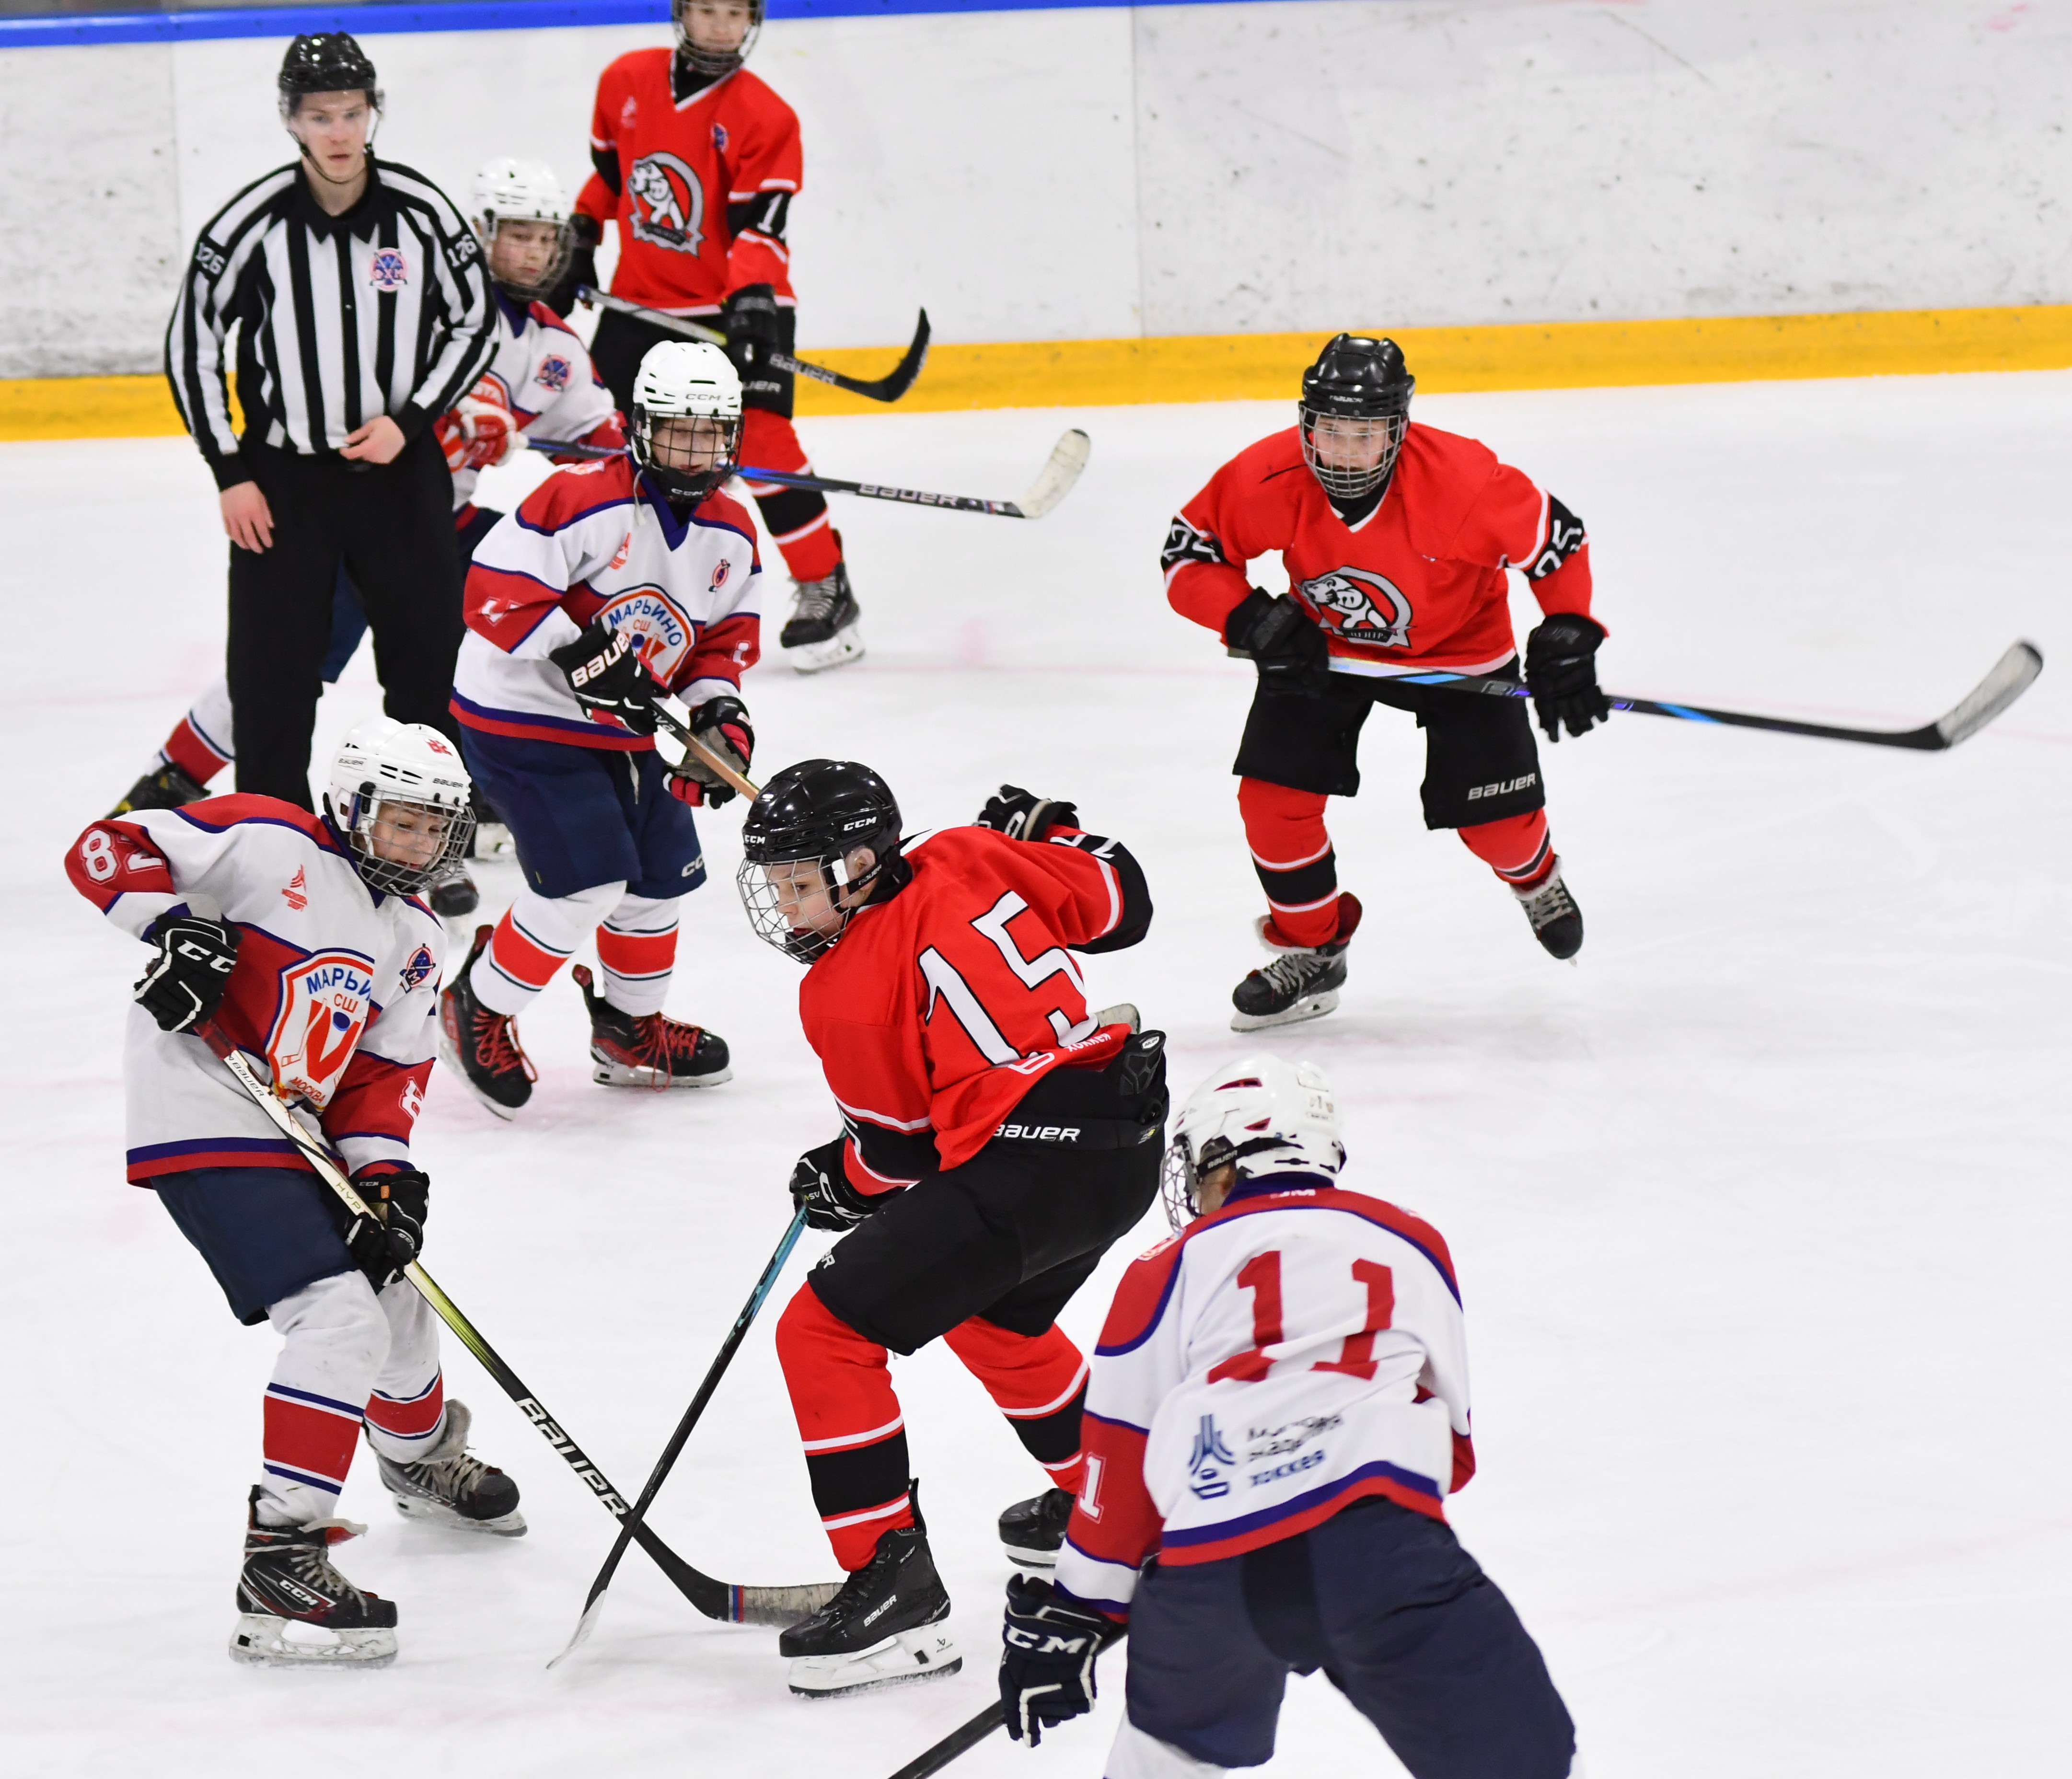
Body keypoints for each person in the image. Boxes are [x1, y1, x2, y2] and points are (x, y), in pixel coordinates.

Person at [64, 718, 526, 1669]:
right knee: (337, 1319)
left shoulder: (414, 935)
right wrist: (173, 929)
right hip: (202, 1108)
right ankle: (283, 1554)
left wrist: (386, 1179)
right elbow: (104, 847)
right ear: (354, 805)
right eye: (400, 822)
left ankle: (417, 1457)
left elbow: (379, 1077)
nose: (417, 845)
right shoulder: (268, 840)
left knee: (396, 1290)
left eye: (433, 828)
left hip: (296, 1131)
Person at [996, 1055, 1578, 1778]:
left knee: (1161, 1764)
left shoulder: (1168, 1265)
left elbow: (1118, 1455)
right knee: (1522, 1761)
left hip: (1213, 1565)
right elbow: (1454, 1445)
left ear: (1223, 1162)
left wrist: (1080, 1610)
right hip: (1380, 1552)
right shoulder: (1410, 1240)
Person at [732, 763, 1164, 1697]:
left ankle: (895, 1596)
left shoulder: (842, 984)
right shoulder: (967, 851)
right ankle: (1115, 1505)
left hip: (1027, 1167)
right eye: (775, 884)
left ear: (860, 865)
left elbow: (897, 1153)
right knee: (993, 1319)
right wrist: (1049, 833)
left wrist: (837, 1179)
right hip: (1121, 1133)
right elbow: (1124, 902)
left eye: (799, 883)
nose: (785, 905)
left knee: (822, 1333)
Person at [118, 155, 626, 919]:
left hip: (447, 530)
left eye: (543, 239)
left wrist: (653, 453)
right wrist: (463, 415)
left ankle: (479, 792)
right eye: (516, 235)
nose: (531, 253)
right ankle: (175, 776)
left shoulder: (554, 348)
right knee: (285, 665)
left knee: (506, 639)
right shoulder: (428, 300)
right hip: (364, 514)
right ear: (481, 233)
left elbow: (599, 446)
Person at [1163, 334, 1610, 1030]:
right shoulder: (1270, 474)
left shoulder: (1464, 482)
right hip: (1325, 651)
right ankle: (1313, 948)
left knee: (1498, 827)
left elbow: (1559, 542)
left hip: (1459, 654)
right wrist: (1252, 617)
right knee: (1273, 803)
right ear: (1307, 424)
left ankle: (1535, 878)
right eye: (1329, 431)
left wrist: (1570, 632)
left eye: (1364, 436)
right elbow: (1188, 552)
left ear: (1397, 432)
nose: (1343, 453)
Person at [163, 34, 493, 819]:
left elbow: (475, 321)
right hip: (284, 486)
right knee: (271, 675)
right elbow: (190, 347)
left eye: (352, 113)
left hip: (401, 477)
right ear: (291, 121)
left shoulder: (422, 212)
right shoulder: (249, 225)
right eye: (320, 117)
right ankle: (272, 836)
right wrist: (231, 472)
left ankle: (424, 833)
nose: (339, 133)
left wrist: (410, 421)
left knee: (427, 665)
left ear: (374, 113)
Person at [438, 340, 757, 1117]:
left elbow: (720, 646)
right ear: (642, 428)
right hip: (523, 714)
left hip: (625, 728)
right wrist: (579, 652)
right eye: (677, 431)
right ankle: (477, 1004)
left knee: (659, 878)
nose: (694, 452)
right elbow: (493, 592)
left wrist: (720, 720)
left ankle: (628, 1031)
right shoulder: (581, 497)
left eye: (709, 433)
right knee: (587, 884)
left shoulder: (734, 534)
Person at [575, 0, 867, 670]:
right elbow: (615, 177)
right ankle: (613, 575)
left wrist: (752, 292)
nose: (720, 26)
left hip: (740, 306)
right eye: (707, 9)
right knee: (600, 434)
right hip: (641, 302)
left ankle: (826, 583)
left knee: (760, 441)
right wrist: (582, 231)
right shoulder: (625, 80)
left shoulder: (767, 115)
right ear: (683, 12)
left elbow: (762, 226)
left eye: (734, 12)